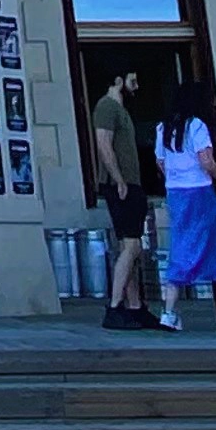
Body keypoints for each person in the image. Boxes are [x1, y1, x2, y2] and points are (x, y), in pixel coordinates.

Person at [153, 99, 216, 335]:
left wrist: (175, 178)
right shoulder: (196, 125)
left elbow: (160, 161)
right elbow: (206, 162)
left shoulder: (162, 128)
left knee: (181, 246)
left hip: (176, 193)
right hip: (200, 193)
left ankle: (169, 312)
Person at [88, 65, 155, 329]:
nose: (136, 85)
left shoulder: (121, 110)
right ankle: (114, 307)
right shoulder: (106, 107)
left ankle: (136, 307)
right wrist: (118, 179)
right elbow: (103, 143)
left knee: (132, 247)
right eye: (132, 80)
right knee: (131, 246)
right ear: (118, 80)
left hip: (130, 183)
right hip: (120, 184)